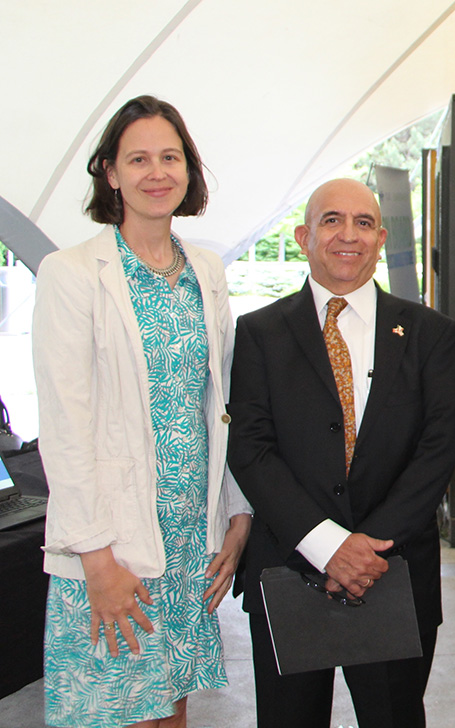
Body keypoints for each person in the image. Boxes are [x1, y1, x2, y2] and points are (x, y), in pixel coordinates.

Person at [32, 95, 252, 728]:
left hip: (188, 542)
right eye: (138, 159)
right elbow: (65, 429)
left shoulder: (204, 271)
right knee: (115, 714)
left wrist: (236, 517)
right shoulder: (72, 274)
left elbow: (223, 405)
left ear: (189, 169)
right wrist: (96, 562)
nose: (157, 173)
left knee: (168, 712)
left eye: (170, 157)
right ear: (110, 172)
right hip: (113, 545)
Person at [226, 179, 455, 728]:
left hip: (393, 567)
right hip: (289, 566)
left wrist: (364, 548)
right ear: (304, 236)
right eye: (332, 220)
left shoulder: (431, 333)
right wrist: (330, 546)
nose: (347, 235)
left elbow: (441, 445)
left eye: (362, 223)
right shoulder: (259, 332)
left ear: (381, 238)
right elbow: (251, 448)